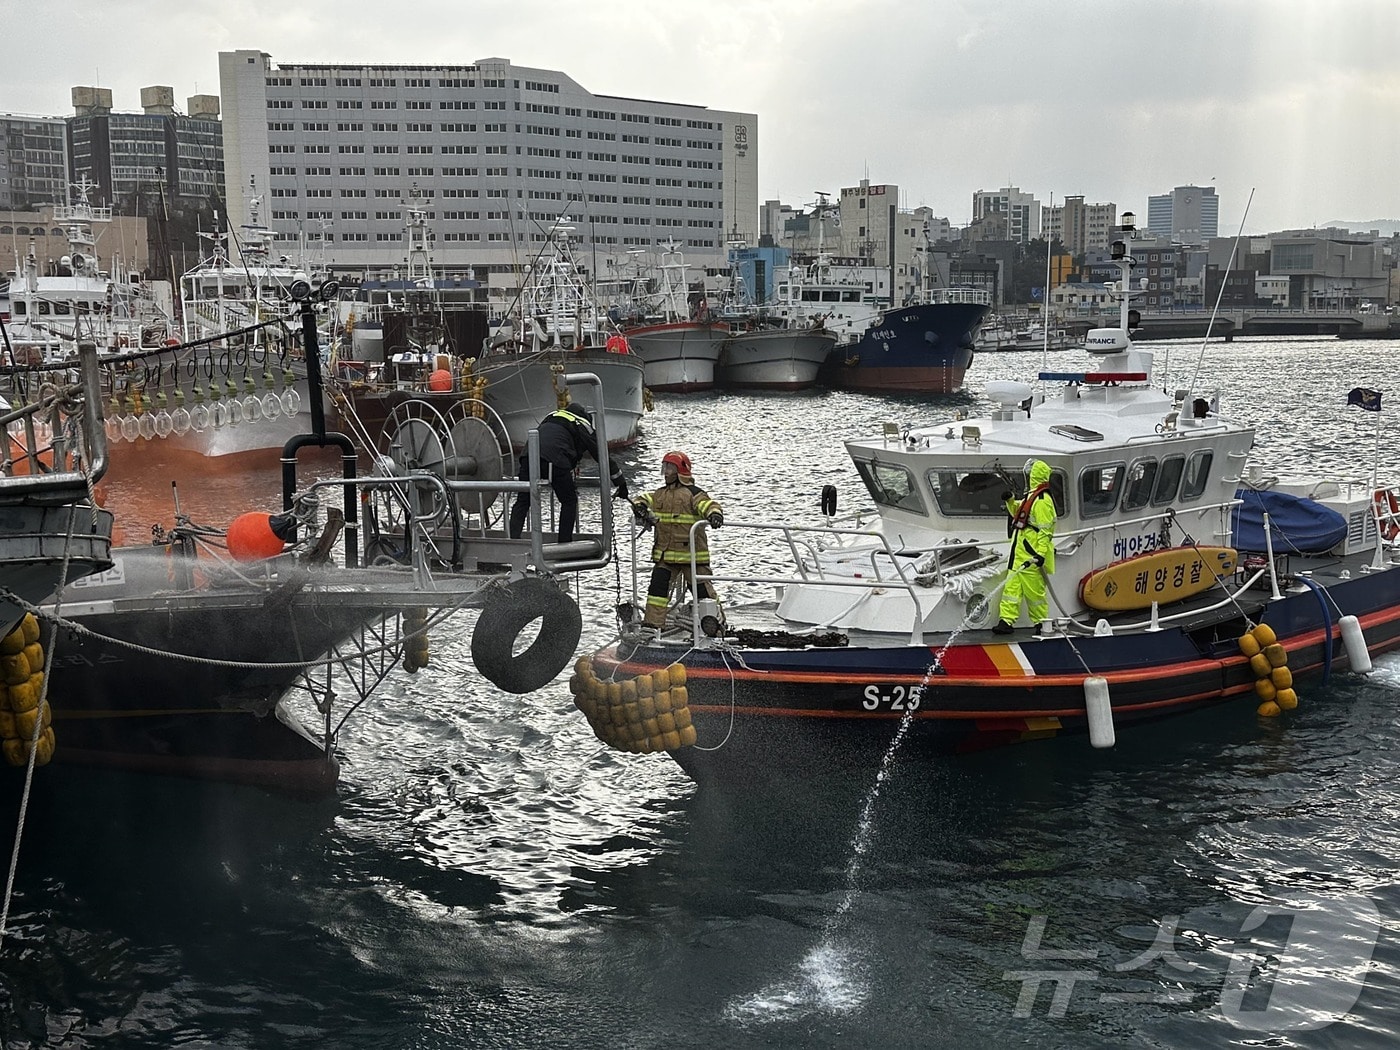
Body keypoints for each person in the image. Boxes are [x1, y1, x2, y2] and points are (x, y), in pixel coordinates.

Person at [630, 451, 724, 630]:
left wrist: (715, 515)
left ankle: (716, 624)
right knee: (657, 590)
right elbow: (642, 499)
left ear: (680, 471)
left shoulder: (693, 494)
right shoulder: (659, 495)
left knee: (703, 592)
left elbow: (709, 505)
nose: (666, 472)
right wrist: (639, 507)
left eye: (670, 468)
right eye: (664, 467)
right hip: (666, 556)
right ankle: (652, 626)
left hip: (691, 557)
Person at [507, 403, 625, 544]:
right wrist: (620, 482)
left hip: (528, 456)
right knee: (569, 500)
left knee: (523, 500)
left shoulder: (552, 416)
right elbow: (601, 455)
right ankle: (564, 543)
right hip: (556, 459)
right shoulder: (581, 423)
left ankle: (512, 541)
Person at [994, 459, 1056, 634]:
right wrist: (1010, 501)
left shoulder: (1043, 501)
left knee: (1034, 593)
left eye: (1029, 474)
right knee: (1011, 589)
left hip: (1031, 554)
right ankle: (1006, 621)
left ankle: (1041, 623)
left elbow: (1046, 530)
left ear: (1034, 476)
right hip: (1019, 552)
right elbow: (1019, 513)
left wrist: (1040, 554)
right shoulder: (1032, 496)